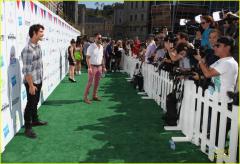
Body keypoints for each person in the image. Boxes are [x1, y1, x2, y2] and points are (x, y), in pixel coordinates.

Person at [21, 24, 47, 139]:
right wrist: (31, 85)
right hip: (31, 82)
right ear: (34, 33)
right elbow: (27, 71)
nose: (43, 34)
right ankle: (27, 128)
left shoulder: (38, 46)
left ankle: (35, 120)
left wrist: (39, 81)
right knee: (30, 104)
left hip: (38, 79)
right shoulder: (28, 49)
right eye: (41, 32)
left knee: (35, 102)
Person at [194, 36, 238, 102]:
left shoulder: (228, 62)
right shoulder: (221, 61)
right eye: (214, 46)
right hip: (214, 99)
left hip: (222, 102)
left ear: (227, 48)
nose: (214, 48)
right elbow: (208, 70)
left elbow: (207, 74)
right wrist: (202, 60)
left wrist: (200, 60)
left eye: (218, 46)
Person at [83, 33, 107, 104]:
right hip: (92, 67)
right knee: (90, 82)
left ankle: (94, 95)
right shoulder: (91, 47)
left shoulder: (102, 47)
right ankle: (85, 97)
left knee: (97, 82)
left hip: (99, 67)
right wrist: (89, 67)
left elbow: (102, 57)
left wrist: (104, 66)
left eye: (101, 38)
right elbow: (87, 58)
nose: (100, 39)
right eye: (98, 38)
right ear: (95, 39)